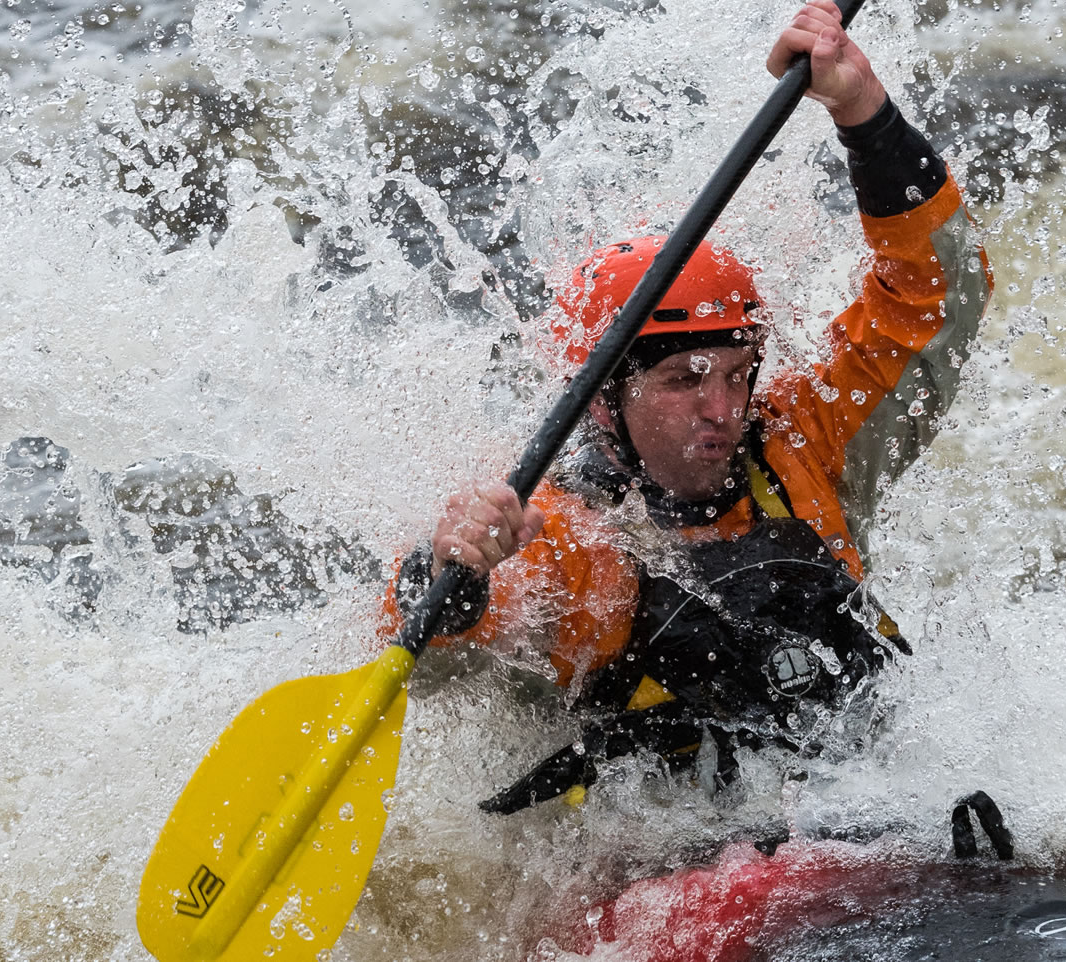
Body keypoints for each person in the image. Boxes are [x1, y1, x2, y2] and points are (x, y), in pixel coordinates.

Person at [384, 0, 992, 813]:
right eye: (683, 381)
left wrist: (862, 109)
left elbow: (940, 297)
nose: (723, 408)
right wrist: (452, 576)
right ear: (603, 401)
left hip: (873, 818)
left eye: (739, 372)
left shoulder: (807, 444)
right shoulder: (567, 536)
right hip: (684, 871)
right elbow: (430, 668)